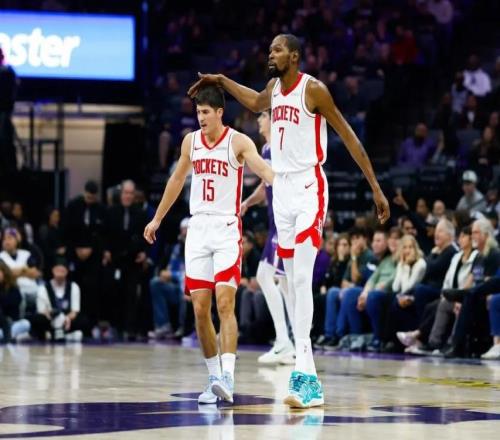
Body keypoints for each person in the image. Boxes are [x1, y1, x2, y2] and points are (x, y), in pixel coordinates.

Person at [188, 33, 390, 409]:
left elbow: (348, 136)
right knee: (289, 284)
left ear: (294, 56)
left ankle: (304, 373)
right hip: (281, 191)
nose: (271, 55)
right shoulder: (274, 89)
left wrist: (375, 187)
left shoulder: (313, 90)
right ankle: (308, 377)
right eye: (269, 50)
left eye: (277, 50)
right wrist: (221, 81)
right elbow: (253, 100)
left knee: (299, 280)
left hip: (309, 186)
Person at [143, 85, 274, 405]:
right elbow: (177, 180)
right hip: (198, 228)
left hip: (226, 228)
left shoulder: (238, 141)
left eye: (205, 112)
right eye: (197, 112)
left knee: (225, 304)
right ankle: (214, 377)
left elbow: (262, 169)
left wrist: (288, 184)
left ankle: (228, 375)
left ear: (219, 112)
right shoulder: (190, 142)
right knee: (200, 309)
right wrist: (157, 218)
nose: (200, 118)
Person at [240, 110, 294, 365]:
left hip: (284, 221)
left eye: (263, 117)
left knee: (268, 276)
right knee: (282, 282)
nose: (259, 121)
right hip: (275, 223)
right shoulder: (265, 149)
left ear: (274, 120)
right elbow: (265, 186)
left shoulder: (282, 147)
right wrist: (247, 203)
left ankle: (288, 342)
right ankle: (290, 343)